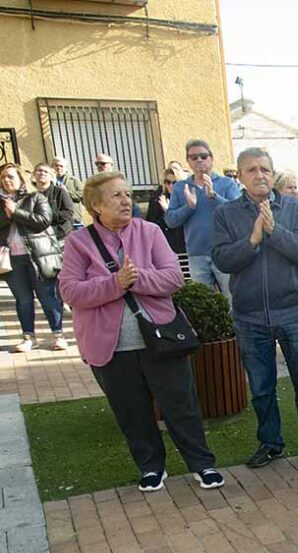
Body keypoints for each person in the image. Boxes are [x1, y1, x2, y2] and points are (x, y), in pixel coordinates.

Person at [58, 171, 223, 492]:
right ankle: (151, 467)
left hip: (161, 337)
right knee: (131, 411)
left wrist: (134, 279)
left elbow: (173, 278)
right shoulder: (78, 243)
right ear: (95, 206)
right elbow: (71, 292)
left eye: (127, 193)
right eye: (116, 195)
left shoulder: (149, 231)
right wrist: (114, 283)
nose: (125, 200)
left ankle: (203, 464)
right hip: (109, 346)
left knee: (181, 405)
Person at [212, 147, 298, 467]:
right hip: (250, 316)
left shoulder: (294, 209)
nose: (260, 175)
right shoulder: (226, 214)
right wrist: (252, 240)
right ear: (240, 177)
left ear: (273, 173)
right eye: (252, 170)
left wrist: (273, 231)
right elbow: (223, 260)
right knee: (261, 387)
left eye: (265, 169)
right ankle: (271, 443)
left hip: (294, 311)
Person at [2, 163, 66, 352]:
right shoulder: (1, 202)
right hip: (12, 258)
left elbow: (43, 221)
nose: (6, 180)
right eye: (3, 177)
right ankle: (28, 336)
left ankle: (58, 334)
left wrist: (16, 212)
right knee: (23, 299)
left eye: (10, 176)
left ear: (21, 179)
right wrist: (7, 211)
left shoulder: (36, 197)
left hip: (39, 256)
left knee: (48, 297)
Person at [166, 139, 241, 294]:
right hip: (196, 255)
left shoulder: (227, 184)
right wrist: (189, 207)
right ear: (188, 162)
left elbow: (238, 214)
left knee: (233, 300)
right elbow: (171, 221)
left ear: (211, 158)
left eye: (203, 156)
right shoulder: (181, 187)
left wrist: (214, 196)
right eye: (194, 157)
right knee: (205, 304)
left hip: (224, 251)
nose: (199, 160)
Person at [145, 166, 187, 255]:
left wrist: (168, 211)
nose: (171, 186)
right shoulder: (158, 199)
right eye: (168, 182)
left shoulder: (187, 199)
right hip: (166, 244)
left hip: (185, 243)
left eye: (174, 182)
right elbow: (152, 223)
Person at [51, 156, 84, 226]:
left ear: (65, 168)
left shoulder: (74, 180)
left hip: (73, 219)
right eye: (56, 165)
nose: (58, 168)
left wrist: (66, 192)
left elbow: (82, 195)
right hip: (56, 220)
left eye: (61, 166)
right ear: (52, 166)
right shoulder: (49, 181)